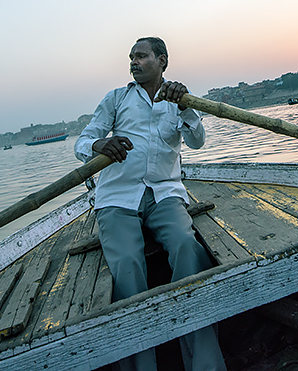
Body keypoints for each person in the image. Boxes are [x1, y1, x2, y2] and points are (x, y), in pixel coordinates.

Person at [76, 37, 226, 371]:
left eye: (141, 56)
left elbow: (197, 142)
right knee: (127, 265)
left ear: (162, 61)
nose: (133, 62)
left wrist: (187, 106)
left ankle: (204, 363)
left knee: (188, 248)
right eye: (131, 57)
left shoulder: (178, 99)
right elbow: (83, 142)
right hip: (117, 196)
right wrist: (101, 143)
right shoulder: (116, 98)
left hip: (165, 193)